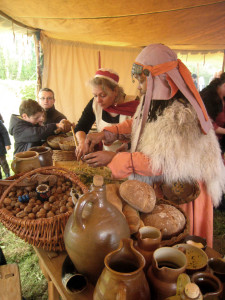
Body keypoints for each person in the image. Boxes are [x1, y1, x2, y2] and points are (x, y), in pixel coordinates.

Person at [82, 44, 225, 247]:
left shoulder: (181, 112)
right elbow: (139, 122)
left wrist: (115, 158)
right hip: (166, 184)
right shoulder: (158, 102)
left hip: (184, 189)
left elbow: (161, 162)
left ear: (160, 79)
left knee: (182, 243)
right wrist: (108, 133)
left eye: (141, 80)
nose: (138, 87)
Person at [74, 68, 139, 160]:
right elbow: (81, 127)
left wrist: (128, 145)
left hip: (129, 159)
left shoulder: (134, 104)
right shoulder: (94, 103)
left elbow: (142, 137)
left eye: (103, 95)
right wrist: (82, 142)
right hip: (104, 158)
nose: (98, 100)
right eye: (95, 95)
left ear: (115, 91)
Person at [200, 77, 225, 152]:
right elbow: (207, 124)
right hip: (206, 141)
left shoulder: (222, 98)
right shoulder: (207, 97)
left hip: (219, 141)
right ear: (219, 85)